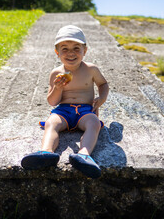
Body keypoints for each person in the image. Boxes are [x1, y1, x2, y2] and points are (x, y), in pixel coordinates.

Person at [21, 25, 109, 179]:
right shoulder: (56, 73)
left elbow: (103, 84)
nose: (71, 53)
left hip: (85, 111)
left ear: (85, 51)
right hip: (63, 111)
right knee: (51, 123)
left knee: (94, 123)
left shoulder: (91, 69)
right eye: (65, 49)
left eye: (76, 48)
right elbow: (52, 101)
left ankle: (84, 155)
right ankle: (47, 152)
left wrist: (101, 99)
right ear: (57, 53)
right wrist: (58, 87)